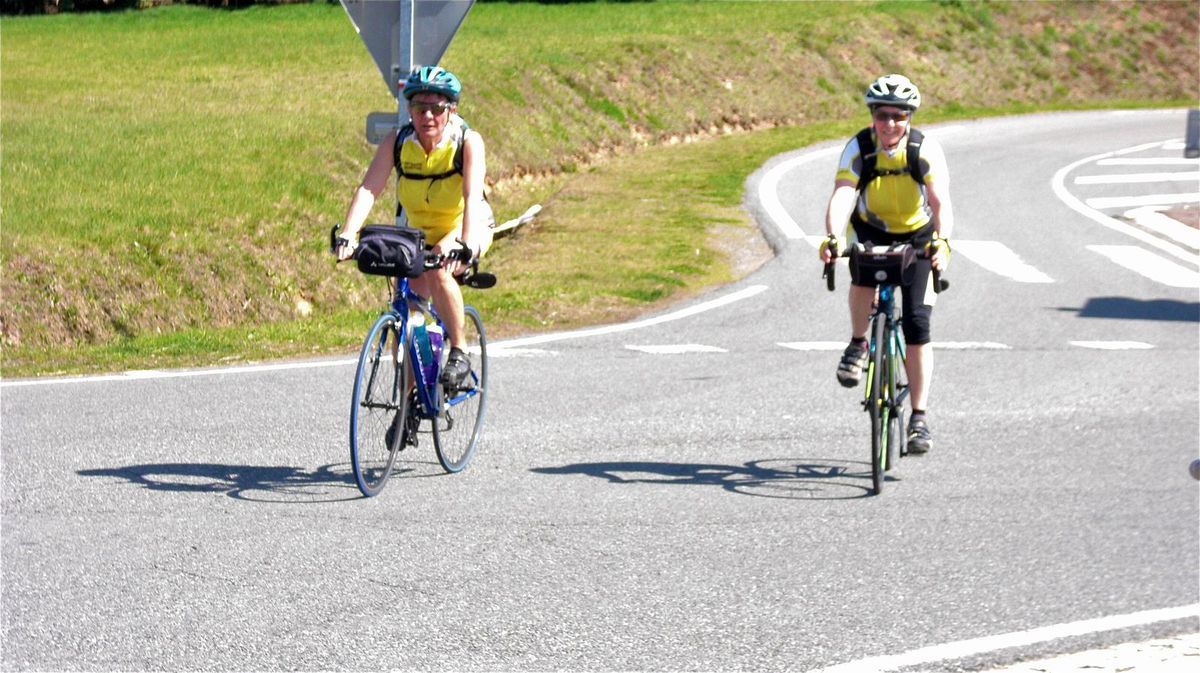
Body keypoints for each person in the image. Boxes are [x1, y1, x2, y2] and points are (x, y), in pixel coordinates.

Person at [819, 74, 954, 454]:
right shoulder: (860, 147)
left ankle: (919, 417)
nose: (890, 123)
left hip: (918, 236)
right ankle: (858, 343)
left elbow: (940, 201)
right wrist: (832, 236)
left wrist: (942, 241)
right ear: (872, 116)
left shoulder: (924, 149)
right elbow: (843, 193)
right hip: (872, 229)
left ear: (909, 117)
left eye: (899, 116)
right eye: (882, 115)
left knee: (917, 325)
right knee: (861, 276)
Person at [335, 65, 492, 387]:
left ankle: (459, 351)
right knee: (408, 314)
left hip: (466, 223)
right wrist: (348, 234)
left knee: (440, 269)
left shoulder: (467, 141)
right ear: (410, 110)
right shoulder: (399, 141)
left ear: (452, 110)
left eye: (437, 108)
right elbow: (369, 188)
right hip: (420, 232)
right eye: (420, 108)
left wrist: (464, 245)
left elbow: (472, 195)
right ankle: (410, 401)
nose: (428, 116)